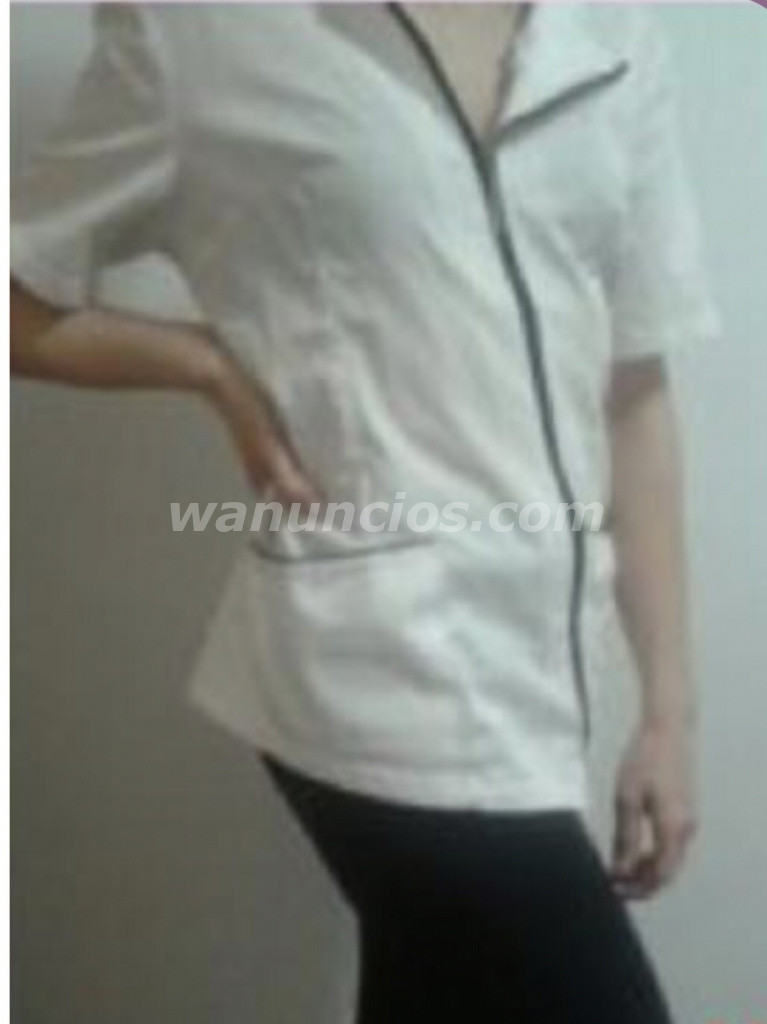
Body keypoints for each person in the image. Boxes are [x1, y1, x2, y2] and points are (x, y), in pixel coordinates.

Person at [10, 2, 722, 1020]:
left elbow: (632, 386)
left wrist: (666, 712)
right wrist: (203, 362)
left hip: (544, 676)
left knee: (437, 985)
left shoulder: (611, 34)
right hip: (370, 660)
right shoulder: (206, 31)